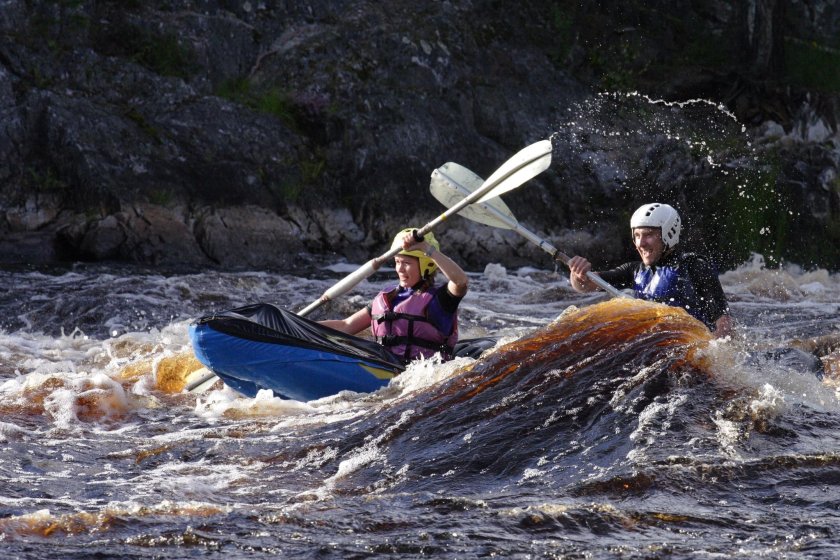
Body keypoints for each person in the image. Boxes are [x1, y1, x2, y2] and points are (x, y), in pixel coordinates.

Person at [567, 203, 734, 338]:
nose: (640, 243)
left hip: (693, 350)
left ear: (668, 234)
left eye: (648, 235)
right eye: (637, 235)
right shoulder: (635, 271)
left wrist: (707, 354)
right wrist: (577, 273)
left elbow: (724, 324)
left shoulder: (694, 266)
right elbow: (586, 285)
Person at [320, 228, 469, 363]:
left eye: (406, 263)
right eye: (397, 262)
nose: (400, 269)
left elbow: (461, 282)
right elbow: (347, 326)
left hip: (419, 374)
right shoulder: (387, 297)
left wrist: (426, 248)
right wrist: (299, 324)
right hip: (384, 364)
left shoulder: (440, 300)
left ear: (426, 264)